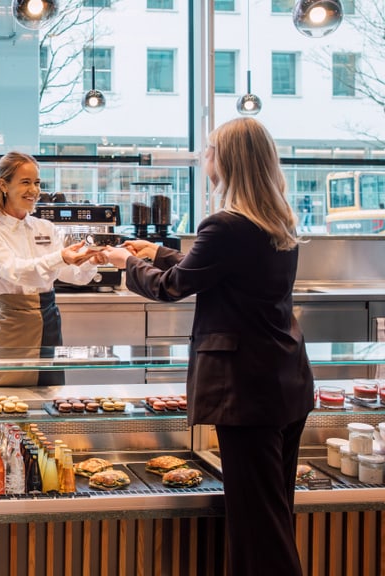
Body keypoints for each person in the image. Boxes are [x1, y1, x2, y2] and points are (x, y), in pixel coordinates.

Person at [104, 117, 314, 576]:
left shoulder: (225, 225)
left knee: (259, 530)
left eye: (210, 151)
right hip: (286, 384)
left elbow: (172, 287)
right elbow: (213, 267)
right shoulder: (276, 219)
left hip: (246, 394)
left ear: (228, 161)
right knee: (272, 515)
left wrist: (126, 262)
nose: (205, 159)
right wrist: (156, 252)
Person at [0, 151, 106, 386]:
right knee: (5, 393)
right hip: (14, 322)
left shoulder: (45, 227)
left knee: (50, 391)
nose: (34, 190)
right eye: (25, 182)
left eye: (37, 183)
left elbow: (72, 275)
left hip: (49, 319)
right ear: (3, 185)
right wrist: (61, 257)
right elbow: (15, 271)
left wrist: (90, 262)